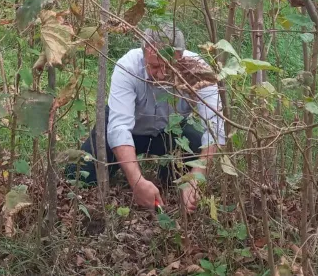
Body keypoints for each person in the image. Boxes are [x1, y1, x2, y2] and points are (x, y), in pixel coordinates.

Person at [72, 25, 225, 213]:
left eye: (168, 66)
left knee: (192, 150)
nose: (161, 74)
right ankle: (125, 170)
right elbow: (119, 127)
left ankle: (168, 178)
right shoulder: (127, 66)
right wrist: (136, 182)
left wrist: (197, 177)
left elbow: (215, 128)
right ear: (144, 54)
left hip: (169, 131)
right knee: (78, 175)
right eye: (153, 66)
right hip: (132, 130)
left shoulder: (200, 72)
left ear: (180, 57)